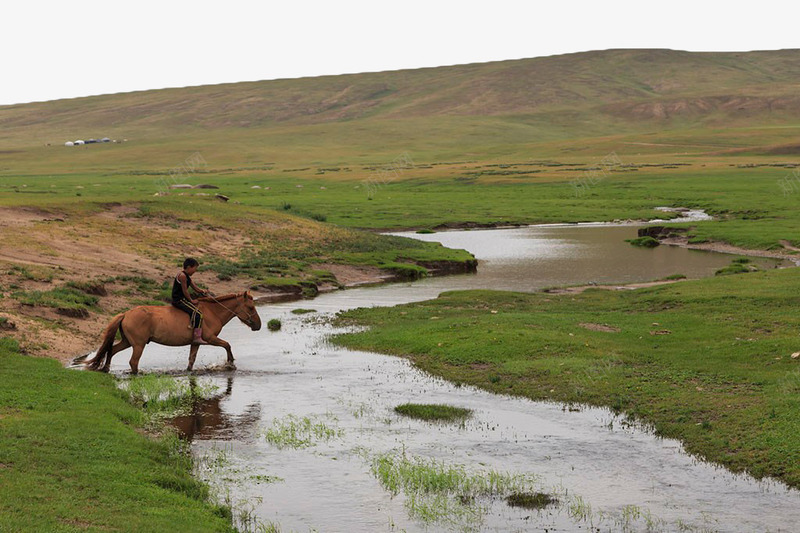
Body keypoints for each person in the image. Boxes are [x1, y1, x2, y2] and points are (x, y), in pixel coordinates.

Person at [172, 258, 209, 345]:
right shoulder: (182, 276)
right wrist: (191, 301)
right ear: (188, 267)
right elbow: (185, 291)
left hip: (183, 299)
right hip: (179, 300)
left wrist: (202, 291)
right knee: (198, 314)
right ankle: (197, 337)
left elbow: (195, 288)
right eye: (194, 269)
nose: (195, 271)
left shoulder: (187, 276)